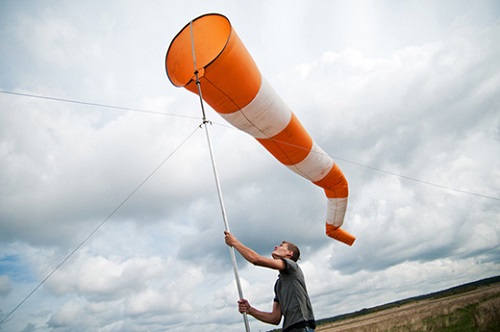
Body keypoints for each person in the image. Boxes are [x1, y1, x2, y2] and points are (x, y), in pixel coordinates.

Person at [224, 231, 316, 332]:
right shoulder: (279, 284)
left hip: (301, 328)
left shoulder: (292, 266)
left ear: (289, 253)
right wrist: (250, 310)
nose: (276, 246)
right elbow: (274, 318)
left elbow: (256, 259)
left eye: (281, 246)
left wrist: (235, 242)